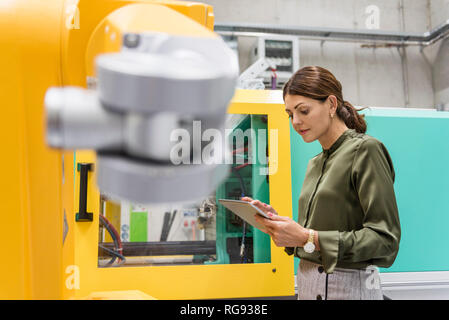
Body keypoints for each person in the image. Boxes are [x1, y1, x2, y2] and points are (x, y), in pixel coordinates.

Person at [241, 66, 401, 300]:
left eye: (303, 111)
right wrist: (282, 227)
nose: (295, 122)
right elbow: (312, 240)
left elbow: (385, 240)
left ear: (332, 105)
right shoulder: (315, 163)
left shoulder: (366, 150)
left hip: (348, 289)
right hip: (308, 286)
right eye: (290, 114)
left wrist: (308, 238)